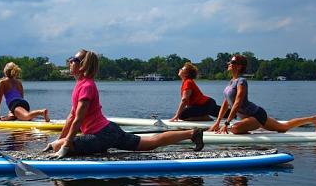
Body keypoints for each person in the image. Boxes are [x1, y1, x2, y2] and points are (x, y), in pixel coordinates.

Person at [45, 49, 205, 158]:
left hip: (102, 134)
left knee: (59, 146)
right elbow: (71, 117)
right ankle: (192, 133)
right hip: (106, 131)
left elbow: (78, 119)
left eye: (74, 60)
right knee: (150, 143)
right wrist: (57, 140)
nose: (70, 62)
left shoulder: (86, 86)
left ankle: (192, 133)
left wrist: (64, 145)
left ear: (82, 65)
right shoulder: (80, 84)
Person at [209, 54, 316, 134]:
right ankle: (313, 119)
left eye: (232, 62)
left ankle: (254, 127)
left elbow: (237, 103)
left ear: (239, 66)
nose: (229, 63)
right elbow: (226, 103)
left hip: (256, 115)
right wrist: (218, 122)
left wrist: (227, 124)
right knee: (283, 127)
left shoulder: (241, 81)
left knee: (234, 128)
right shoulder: (231, 82)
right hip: (248, 118)